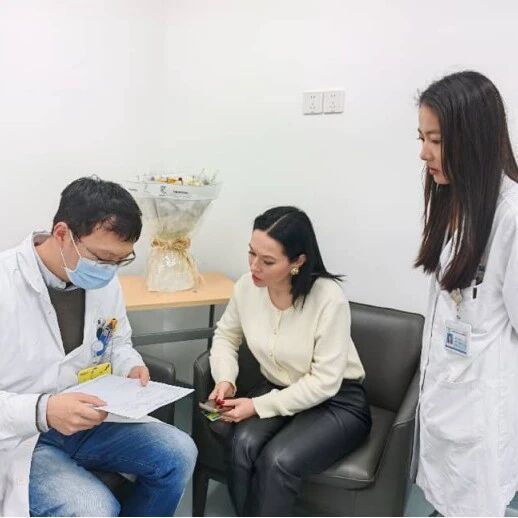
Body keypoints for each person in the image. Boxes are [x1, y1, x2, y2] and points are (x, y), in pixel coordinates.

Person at [0, 176, 197, 516]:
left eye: (121, 260)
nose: (110, 271)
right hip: (22, 435)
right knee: (93, 507)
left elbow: (116, 340)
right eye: (103, 258)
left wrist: (130, 365)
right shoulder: (6, 284)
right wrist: (44, 410)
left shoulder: (103, 280)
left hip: (89, 420)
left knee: (179, 452)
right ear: (62, 234)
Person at [208, 206, 372, 516]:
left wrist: (257, 406)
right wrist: (225, 379)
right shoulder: (246, 287)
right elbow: (226, 337)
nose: (254, 266)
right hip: (278, 387)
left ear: (298, 262)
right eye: (251, 253)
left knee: (278, 461)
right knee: (242, 445)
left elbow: (324, 382)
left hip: (337, 401)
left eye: (267, 261)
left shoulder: (329, 298)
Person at [414, 71, 518, 516]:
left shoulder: (511, 216)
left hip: (479, 410)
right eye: (422, 138)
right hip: (446, 397)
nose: (424, 153)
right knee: (444, 499)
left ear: (473, 139)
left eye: (435, 141)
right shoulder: (454, 198)